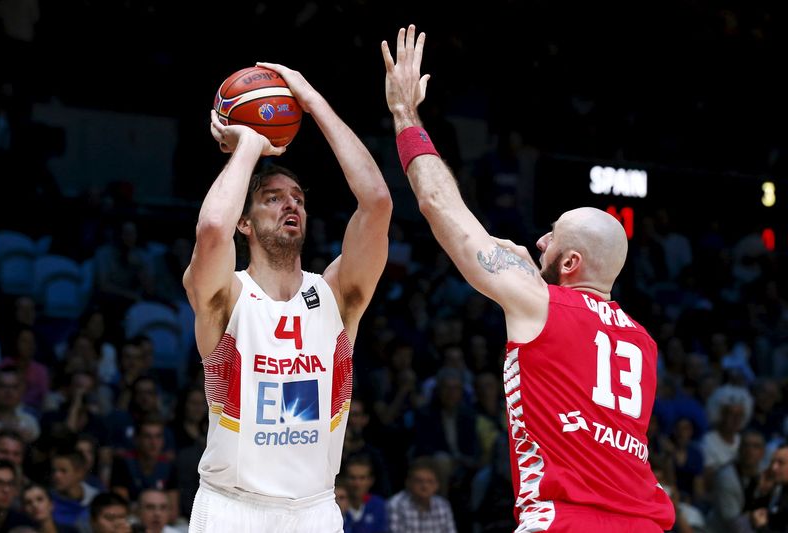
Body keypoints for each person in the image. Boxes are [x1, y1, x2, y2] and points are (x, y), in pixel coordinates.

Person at [380, 25, 675, 532]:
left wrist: (405, 114)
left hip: (564, 521)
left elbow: (438, 204)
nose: (539, 241)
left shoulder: (540, 302)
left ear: (571, 263)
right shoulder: (644, 344)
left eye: (552, 236)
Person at [183, 60, 392, 533]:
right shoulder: (226, 294)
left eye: (297, 196)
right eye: (272, 198)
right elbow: (212, 227)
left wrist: (312, 102)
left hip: (315, 509)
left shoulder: (336, 295)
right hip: (230, 507)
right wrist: (250, 146)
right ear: (246, 221)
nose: (291, 203)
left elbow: (377, 202)